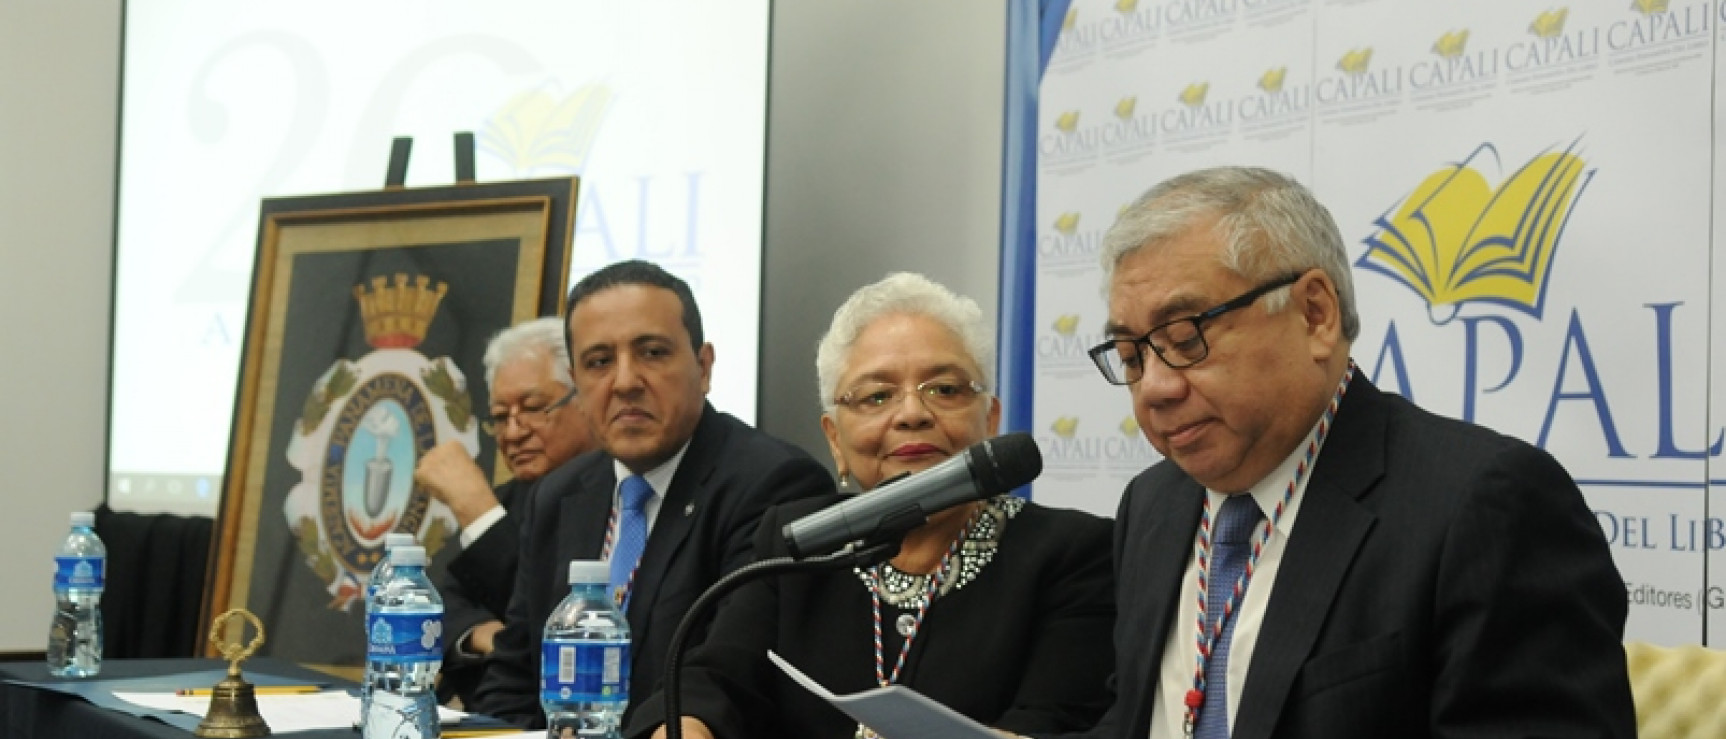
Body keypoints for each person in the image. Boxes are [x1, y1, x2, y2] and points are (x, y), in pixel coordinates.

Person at [1074, 167, 1634, 739]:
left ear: (1316, 313)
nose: (1155, 388)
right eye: (1131, 355)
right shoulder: (1152, 506)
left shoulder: (1484, 506)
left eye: (1187, 338)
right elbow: (1142, 720)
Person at [625, 272, 1115, 739]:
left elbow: (1053, 721)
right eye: (877, 396)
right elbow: (717, 677)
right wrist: (687, 724)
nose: (911, 414)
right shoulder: (800, 537)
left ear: (990, 420)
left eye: (944, 389)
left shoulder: (1073, 554)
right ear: (835, 440)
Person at [471, 260, 834, 729]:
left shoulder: (773, 486)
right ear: (577, 384)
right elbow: (515, 678)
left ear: (703, 368)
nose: (624, 382)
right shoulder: (559, 495)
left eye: (653, 353)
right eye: (599, 362)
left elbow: (728, 680)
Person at [414, 316, 596, 707]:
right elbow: (440, 608)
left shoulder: (615, 495)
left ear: (586, 398)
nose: (513, 433)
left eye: (533, 408)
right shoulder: (511, 497)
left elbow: (551, 612)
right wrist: (487, 636)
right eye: (500, 417)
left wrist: (477, 511)